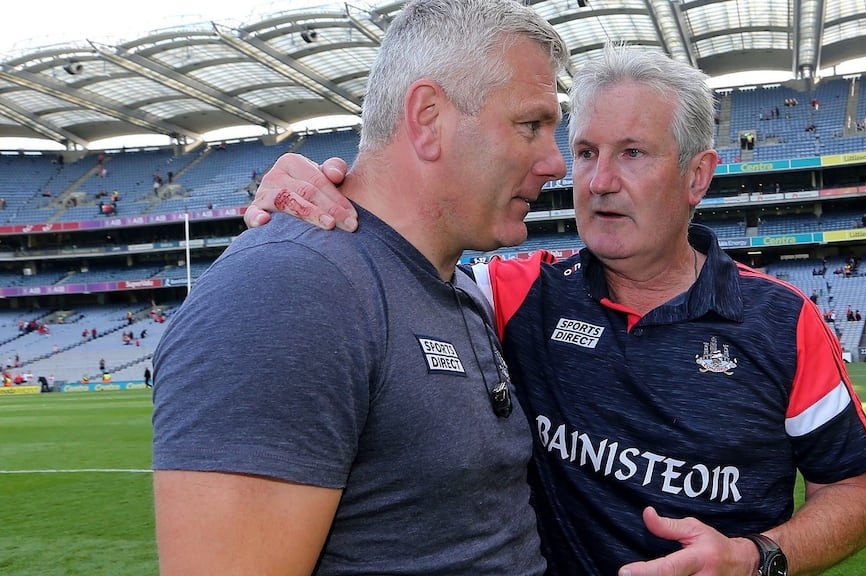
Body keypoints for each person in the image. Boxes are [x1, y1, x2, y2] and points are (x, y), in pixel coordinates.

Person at [249, 45, 866, 576]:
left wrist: (753, 558)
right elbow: (399, 255)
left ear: (697, 176)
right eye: (585, 153)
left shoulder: (783, 321)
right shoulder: (516, 293)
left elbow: (853, 495)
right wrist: (321, 189)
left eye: (632, 153)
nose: (599, 180)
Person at [151, 1, 568, 575]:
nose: (556, 163)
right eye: (531, 126)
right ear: (427, 117)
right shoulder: (289, 291)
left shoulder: (460, 287)